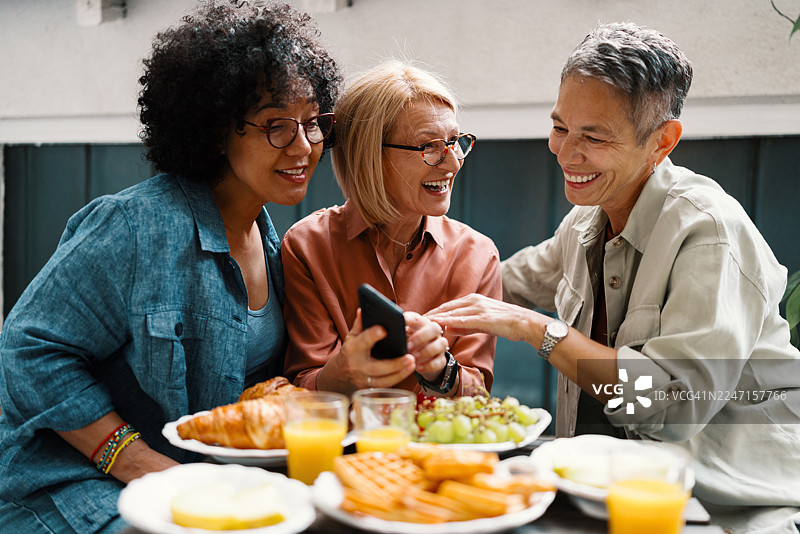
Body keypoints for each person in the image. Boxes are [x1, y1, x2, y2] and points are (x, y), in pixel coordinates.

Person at [427, 22, 800, 533]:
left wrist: (541, 332)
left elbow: (670, 408)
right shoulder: (586, 220)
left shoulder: (710, 232)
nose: (565, 152)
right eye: (560, 127)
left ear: (661, 142)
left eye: (594, 137)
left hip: (730, 510)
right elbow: (501, 286)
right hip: (602, 495)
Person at [0, 1, 341, 532]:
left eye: (313, 122)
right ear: (215, 130)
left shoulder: (279, 250)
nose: (303, 146)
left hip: (202, 487)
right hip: (69, 484)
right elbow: (29, 351)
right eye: (277, 125)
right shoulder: (134, 225)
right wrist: (141, 465)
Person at [282, 61, 501, 398]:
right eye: (429, 146)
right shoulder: (308, 246)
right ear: (370, 155)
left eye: (455, 141)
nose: (454, 161)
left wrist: (441, 369)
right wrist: (342, 371)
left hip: (441, 449)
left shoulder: (479, 255)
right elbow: (301, 390)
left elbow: (479, 396)